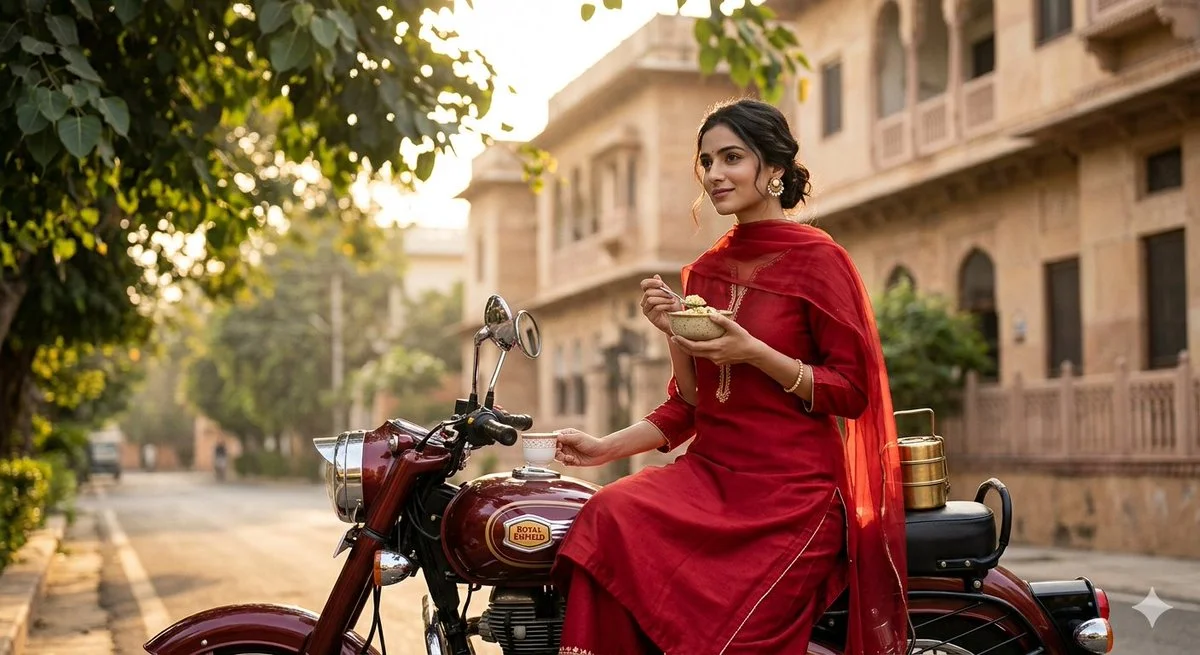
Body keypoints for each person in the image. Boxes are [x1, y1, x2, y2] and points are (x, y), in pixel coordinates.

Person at [550, 98, 909, 655]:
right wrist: (604, 445)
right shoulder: (704, 271)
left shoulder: (821, 261)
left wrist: (755, 352)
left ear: (775, 170)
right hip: (710, 480)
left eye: (731, 158)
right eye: (706, 161)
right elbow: (691, 404)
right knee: (605, 517)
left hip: (793, 494)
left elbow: (852, 391)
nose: (714, 174)